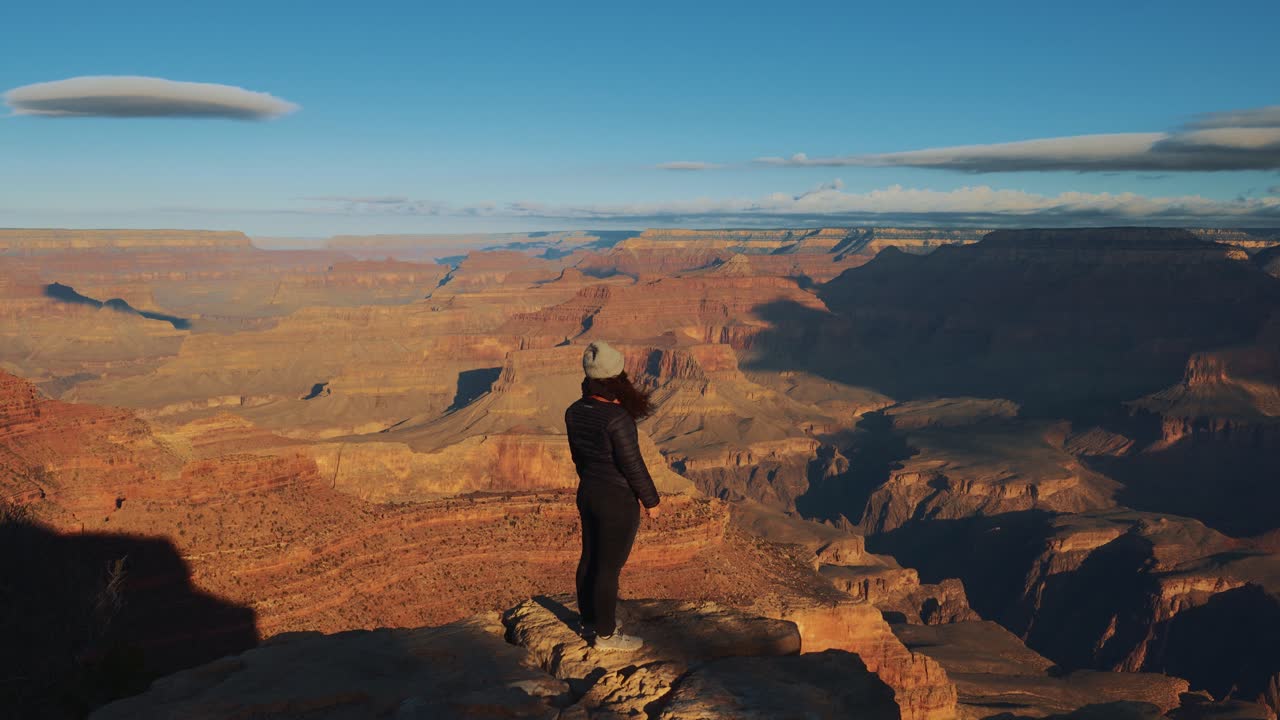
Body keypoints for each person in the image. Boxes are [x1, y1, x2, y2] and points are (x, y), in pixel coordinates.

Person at [564, 340, 661, 652]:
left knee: (589, 558)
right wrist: (651, 501)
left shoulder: (575, 411)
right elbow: (632, 465)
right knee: (608, 568)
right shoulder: (617, 419)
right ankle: (606, 636)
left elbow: (579, 457)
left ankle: (591, 621)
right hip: (616, 502)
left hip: (588, 492)